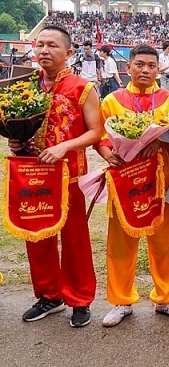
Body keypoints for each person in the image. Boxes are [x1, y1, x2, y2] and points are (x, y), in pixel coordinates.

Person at [11, 26, 103, 328]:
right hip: (32, 173)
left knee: (75, 237)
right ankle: (49, 295)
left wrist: (64, 145)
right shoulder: (22, 86)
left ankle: (79, 298)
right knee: (37, 235)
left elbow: (95, 132)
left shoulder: (82, 88)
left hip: (69, 175)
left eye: (52, 45)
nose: (44, 51)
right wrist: (14, 140)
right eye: (40, 45)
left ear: (69, 53)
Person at [97, 44, 169, 327]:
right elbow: (101, 137)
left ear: (159, 68)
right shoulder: (112, 100)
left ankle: (166, 298)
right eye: (140, 64)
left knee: (165, 241)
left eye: (152, 65)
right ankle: (121, 300)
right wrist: (107, 153)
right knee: (121, 241)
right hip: (124, 180)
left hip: (162, 180)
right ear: (129, 68)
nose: (146, 70)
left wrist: (161, 141)